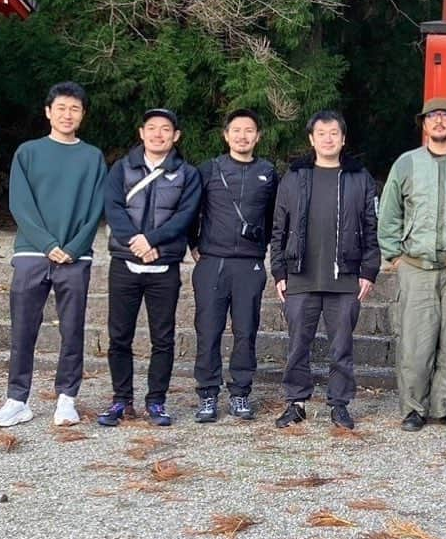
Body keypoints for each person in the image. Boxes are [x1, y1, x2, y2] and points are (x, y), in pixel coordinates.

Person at [0, 82, 107, 428]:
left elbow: (95, 206)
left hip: (75, 256)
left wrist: (73, 247)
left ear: (83, 114)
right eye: (62, 108)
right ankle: (16, 398)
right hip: (31, 253)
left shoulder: (92, 157)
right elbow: (20, 203)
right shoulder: (28, 152)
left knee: (72, 328)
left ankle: (67, 398)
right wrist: (46, 244)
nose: (67, 114)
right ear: (48, 112)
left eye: (75, 109)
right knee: (23, 327)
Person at [377, 97, 446, 432]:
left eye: (444, 117)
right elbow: (389, 213)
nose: (438, 122)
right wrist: (394, 255)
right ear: (423, 125)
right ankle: (413, 407)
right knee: (415, 343)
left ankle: (444, 406)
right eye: (432, 117)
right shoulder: (405, 164)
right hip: (416, 266)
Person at [270, 110, 380, 431]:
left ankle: (339, 403)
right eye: (322, 133)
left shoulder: (360, 179)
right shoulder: (294, 178)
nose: (328, 139)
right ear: (311, 139)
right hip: (300, 275)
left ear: (343, 139)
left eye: (334, 133)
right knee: (297, 343)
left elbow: (371, 229)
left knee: (341, 345)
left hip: (345, 276)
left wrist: (369, 270)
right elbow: (279, 229)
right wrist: (279, 272)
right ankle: (296, 401)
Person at [99, 108, 201, 427]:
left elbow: (185, 216)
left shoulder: (188, 174)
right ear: (141, 132)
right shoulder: (121, 168)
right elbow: (113, 208)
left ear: (176, 136)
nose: (159, 134)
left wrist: (152, 240)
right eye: (152, 128)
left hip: (164, 265)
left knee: (163, 337)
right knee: (119, 335)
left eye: (166, 129)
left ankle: (157, 401)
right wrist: (136, 242)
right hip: (125, 263)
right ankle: (121, 400)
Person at [190, 109, 277, 423]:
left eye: (249, 130)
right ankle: (208, 394)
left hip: (249, 264)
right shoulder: (209, 169)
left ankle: (240, 392)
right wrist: (194, 245)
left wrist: (262, 248)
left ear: (258, 136)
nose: (243, 136)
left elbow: (273, 218)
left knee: (246, 331)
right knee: (208, 330)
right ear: (226, 135)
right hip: (212, 261)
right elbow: (191, 209)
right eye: (236, 130)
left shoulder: (267, 171)